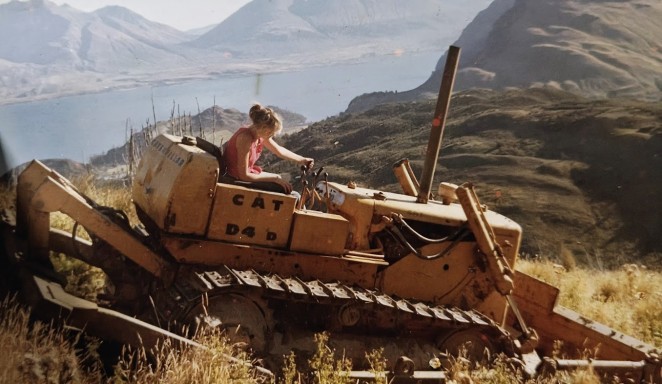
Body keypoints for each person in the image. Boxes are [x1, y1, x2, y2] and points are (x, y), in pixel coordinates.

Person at [223, 104, 313, 194]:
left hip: (247, 174)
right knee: (284, 189)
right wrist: (274, 179)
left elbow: (279, 150)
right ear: (263, 128)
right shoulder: (245, 138)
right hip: (236, 178)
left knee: (281, 181)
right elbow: (243, 175)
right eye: (270, 132)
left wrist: (302, 160)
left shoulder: (258, 134)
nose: (272, 135)